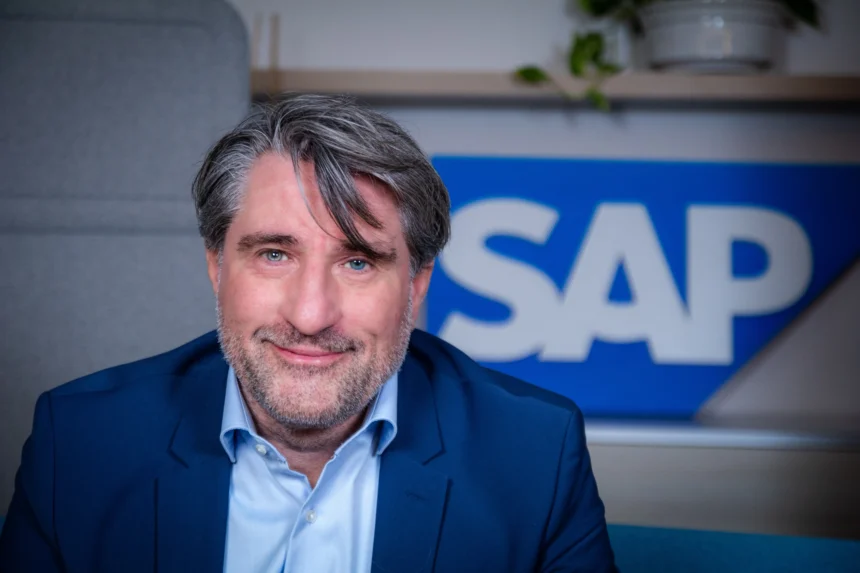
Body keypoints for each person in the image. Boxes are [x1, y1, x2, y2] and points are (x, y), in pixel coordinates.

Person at [0, 94, 617, 572]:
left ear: (416, 283)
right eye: (274, 254)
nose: (311, 315)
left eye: (358, 262)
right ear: (217, 265)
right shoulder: (79, 443)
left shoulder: (535, 453)